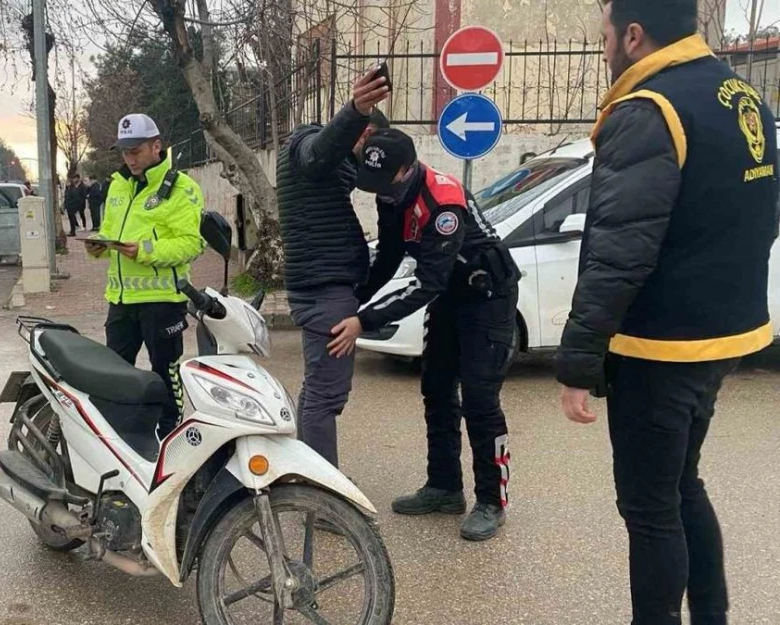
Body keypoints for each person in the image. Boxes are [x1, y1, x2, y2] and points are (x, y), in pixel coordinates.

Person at [556, 1, 778, 623]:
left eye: (604, 35)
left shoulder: (648, 107)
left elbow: (617, 251)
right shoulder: (742, 95)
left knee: (651, 511)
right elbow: (764, 213)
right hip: (724, 335)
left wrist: (578, 363)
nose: (604, 49)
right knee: (684, 486)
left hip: (659, 346)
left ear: (633, 34)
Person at [328, 128, 520, 541]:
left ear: (407, 169)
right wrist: (354, 297)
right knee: (435, 388)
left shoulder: (443, 204)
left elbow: (427, 282)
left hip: (487, 297)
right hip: (451, 294)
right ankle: (444, 487)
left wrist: (365, 320)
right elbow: (392, 254)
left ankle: (492, 501)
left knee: (481, 402)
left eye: (385, 183)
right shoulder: (389, 191)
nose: (379, 192)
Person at [276, 67, 389, 469]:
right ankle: (324, 495)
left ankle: (307, 473)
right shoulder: (307, 145)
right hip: (327, 292)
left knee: (315, 392)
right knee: (327, 396)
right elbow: (319, 154)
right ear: (362, 134)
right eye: (368, 144)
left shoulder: (329, 170)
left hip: (322, 286)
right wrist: (357, 110)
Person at [85, 113, 205, 438]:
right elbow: (110, 231)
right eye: (124, 151)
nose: (129, 158)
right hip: (121, 300)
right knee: (114, 374)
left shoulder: (181, 188)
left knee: (165, 374)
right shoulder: (118, 186)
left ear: (156, 146)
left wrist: (145, 250)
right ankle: (118, 438)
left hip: (162, 302)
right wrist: (99, 245)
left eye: (135, 151)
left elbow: (191, 244)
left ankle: (170, 438)